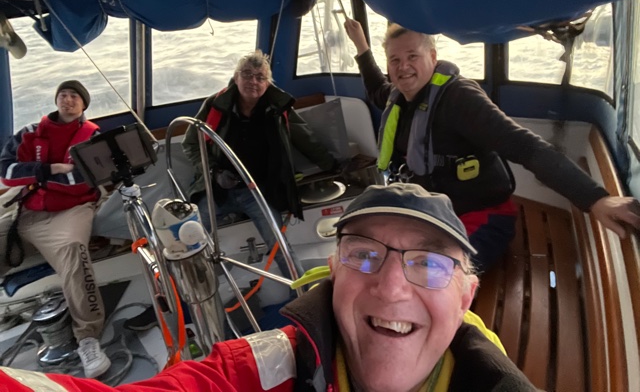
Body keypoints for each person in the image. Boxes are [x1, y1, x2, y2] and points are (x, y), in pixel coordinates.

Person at [0, 183, 539, 391]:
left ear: (465, 297)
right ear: (334, 273)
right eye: (364, 255)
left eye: (429, 263)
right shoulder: (260, 371)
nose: (393, 287)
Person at [344, 18, 640, 272]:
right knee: (372, 251)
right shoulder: (398, 98)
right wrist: (361, 46)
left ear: (432, 57)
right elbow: (376, 88)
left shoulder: (460, 98)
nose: (403, 67)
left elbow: (526, 147)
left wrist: (595, 199)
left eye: (412, 56)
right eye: (394, 60)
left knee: (430, 277)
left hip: (481, 217)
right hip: (434, 214)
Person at [182, 49, 336, 280]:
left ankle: (302, 293)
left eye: (260, 77)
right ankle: (196, 289)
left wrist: (333, 165)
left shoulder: (277, 108)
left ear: (267, 83)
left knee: (279, 245)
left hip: (256, 192)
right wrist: (214, 172)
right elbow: (191, 145)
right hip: (216, 190)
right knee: (189, 237)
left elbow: (304, 138)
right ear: (236, 78)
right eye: (246, 74)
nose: (253, 81)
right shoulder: (216, 105)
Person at [0, 80, 111, 379]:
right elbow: (6, 173)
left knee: (75, 251)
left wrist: (33, 176)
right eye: (63, 94)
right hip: (27, 211)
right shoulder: (29, 133)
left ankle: (88, 338)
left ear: (84, 105)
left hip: (70, 211)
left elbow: (83, 181)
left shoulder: (92, 137)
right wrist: (50, 169)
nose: (68, 99)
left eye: (75, 96)